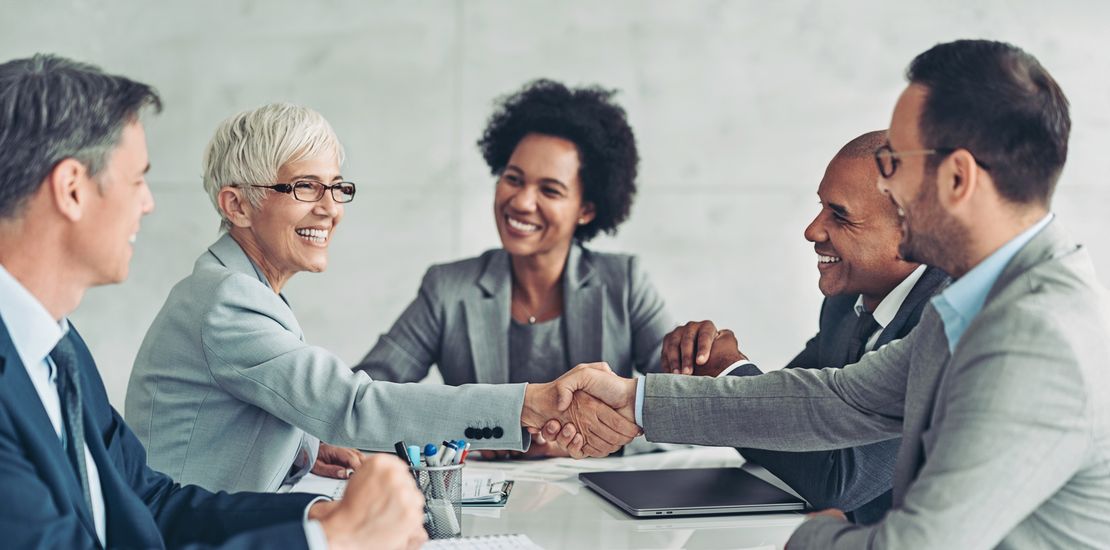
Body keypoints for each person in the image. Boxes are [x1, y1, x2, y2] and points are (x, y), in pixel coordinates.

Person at [550, 39, 1110, 548]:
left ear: (958, 179)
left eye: (894, 162)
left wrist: (813, 534)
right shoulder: (975, 302)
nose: (887, 183)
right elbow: (838, 399)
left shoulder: (1035, 338)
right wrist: (636, 399)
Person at [0, 54, 426, 550]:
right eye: (137, 180)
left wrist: (318, 515)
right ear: (72, 190)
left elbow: (151, 503)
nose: (148, 203)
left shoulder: (60, 348)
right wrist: (328, 540)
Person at [124, 101, 639, 493]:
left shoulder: (238, 288)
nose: (331, 209)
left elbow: (244, 414)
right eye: (305, 187)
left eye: (336, 187)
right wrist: (529, 405)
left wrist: (304, 449)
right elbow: (355, 403)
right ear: (237, 205)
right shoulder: (229, 301)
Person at [355, 79, 671, 458]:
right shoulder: (448, 289)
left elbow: (684, 413)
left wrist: (587, 443)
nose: (521, 202)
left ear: (586, 209)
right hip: (482, 494)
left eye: (550, 190)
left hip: (596, 493)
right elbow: (366, 400)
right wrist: (472, 434)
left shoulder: (625, 283)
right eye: (513, 179)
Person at [660, 130, 948, 524]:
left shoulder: (946, 320)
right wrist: (706, 365)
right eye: (820, 207)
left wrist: (728, 372)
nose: (812, 230)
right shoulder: (844, 305)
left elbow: (839, 480)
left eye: (839, 215)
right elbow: (779, 428)